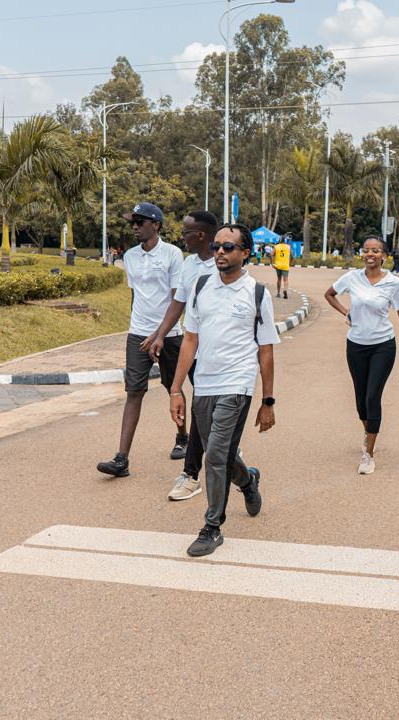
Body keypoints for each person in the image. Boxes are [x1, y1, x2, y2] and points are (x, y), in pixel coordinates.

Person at [170, 223, 279, 557]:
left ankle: (212, 527)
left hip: (238, 384)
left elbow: (266, 350)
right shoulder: (201, 287)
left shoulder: (257, 294)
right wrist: (176, 389)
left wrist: (268, 401)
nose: (219, 251)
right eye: (217, 246)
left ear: (245, 252)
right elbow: (190, 340)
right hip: (204, 383)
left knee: (215, 454)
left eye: (228, 247)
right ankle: (248, 481)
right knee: (220, 453)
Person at [143, 211, 261, 510]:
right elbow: (178, 303)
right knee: (203, 417)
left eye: (187, 232)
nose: (182, 236)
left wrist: (268, 397)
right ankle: (238, 474)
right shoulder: (190, 265)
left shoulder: (232, 270)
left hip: (230, 365)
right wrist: (161, 334)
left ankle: (191, 474)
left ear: (202, 235)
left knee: (212, 431)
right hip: (195, 351)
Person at [96, 202, 186, 478]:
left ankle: (183, 436)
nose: (134, 226)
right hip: (138, 334)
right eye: (132, 222)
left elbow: (177, 300)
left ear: (156, 224)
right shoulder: (131, 256)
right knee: (134, 392)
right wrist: (138, 327)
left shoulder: (173, 254)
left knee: (173, 387)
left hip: (170, 335)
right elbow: (136, 295)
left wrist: (159, 334)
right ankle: (121, 459)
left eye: (140, 221)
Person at [324, 237, 399, 475]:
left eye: (375, 251)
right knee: (360, 402)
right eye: (366, 250)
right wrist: (346, 312)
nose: (370, 254)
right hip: (356, 345)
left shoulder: (393, 282)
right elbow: (329, 294)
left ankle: (368, 454)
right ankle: (369, 431)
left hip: (383, 345)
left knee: (372, 397)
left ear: (384, 256)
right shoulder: (351, 278)